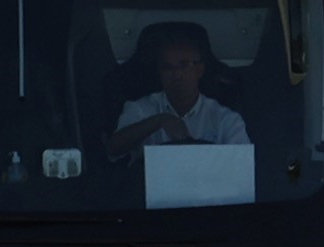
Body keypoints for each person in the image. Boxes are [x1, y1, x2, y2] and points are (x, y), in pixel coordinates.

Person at [106, 32, 249, 157]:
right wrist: (158, 121)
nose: (176, 74)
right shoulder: (140, 109)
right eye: (167, 67)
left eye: (184, 65)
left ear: (199, 70)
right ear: (160, 72)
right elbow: (114, 149)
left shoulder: (225, 119)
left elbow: (242, 169)